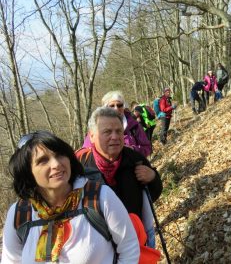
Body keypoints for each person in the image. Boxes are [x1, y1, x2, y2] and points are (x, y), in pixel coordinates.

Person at [2, 130, 140, 263]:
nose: (56, 164)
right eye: (43, 161)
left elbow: (129, 248)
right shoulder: (19, 214)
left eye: (60, 155)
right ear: (27, 173)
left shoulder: (100, 197)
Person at [76, 107, 163, 248]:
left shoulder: (135, 159)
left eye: (119, 131)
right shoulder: (80, 168)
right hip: (98, 248)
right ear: (91, 136)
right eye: (107, 132)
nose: (115, 137)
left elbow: (153, 194)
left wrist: (153, 177)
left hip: (135, 241)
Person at [82, 90, 151, 157]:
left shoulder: (134, 126)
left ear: (124, 107)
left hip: (131, 166)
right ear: (105, 108)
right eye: (112, 105)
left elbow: (147, 148)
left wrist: (133, 150)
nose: (116, 108)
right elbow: (85, 153)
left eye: (119, 105)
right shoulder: (97, 126)